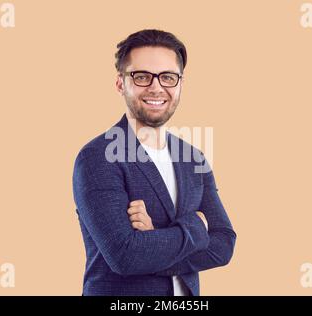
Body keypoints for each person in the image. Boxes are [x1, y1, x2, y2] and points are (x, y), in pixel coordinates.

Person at [73, 29, 236, 296]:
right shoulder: (98, 157)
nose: (156, 87)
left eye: (168, 77)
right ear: (120, 83)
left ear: (181, 84)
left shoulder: (193, 158)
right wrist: (196, 226)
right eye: (142, 76)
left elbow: (224, 245)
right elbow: (125, 255)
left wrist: (154, 238)